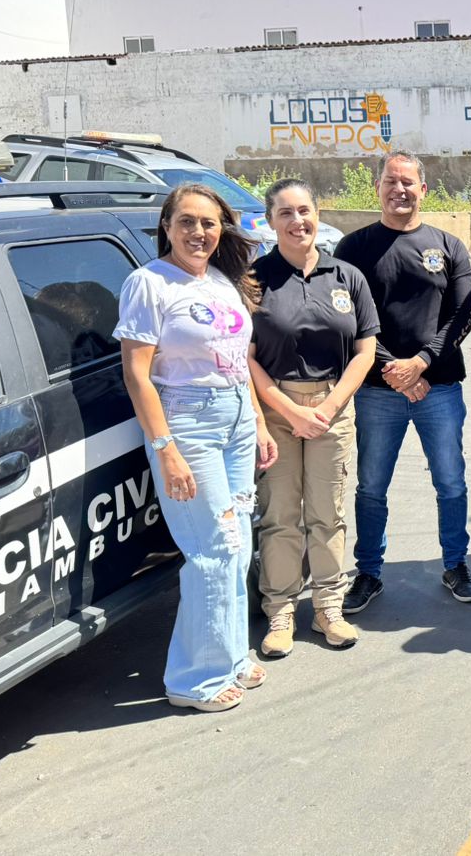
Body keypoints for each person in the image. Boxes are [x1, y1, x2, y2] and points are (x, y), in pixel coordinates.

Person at [114, 183, 278, 712]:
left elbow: (236, 360)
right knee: (210, 550)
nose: (198, 233)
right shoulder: (148, 283)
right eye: (186, 221)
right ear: (166, 225)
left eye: (208, 223)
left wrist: (258, 420)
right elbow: (137, 374)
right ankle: (193, 680)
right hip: (188, 424)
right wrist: (165, 448)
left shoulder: (222, 282)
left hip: (235, 420)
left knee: (237, 544)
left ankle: (229, 656)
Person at [334, 151, 471, 607]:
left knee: (451, 481)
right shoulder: (352, 249)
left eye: (409, 183)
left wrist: (420, 363)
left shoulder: (449, 246)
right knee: (372, 487)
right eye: (391, 181)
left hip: (438, 388)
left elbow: (461, 314)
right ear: (378, 187)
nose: (400, 190)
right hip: (378, 391)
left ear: (424, 190)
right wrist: (394, 370)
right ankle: (368, 573)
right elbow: (347, 318)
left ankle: (455, 565)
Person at [248, 178, 380, 657]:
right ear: (270, 221)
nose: (297, 221)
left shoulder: (347, 277)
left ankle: (328, 608)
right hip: (275, 409)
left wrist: (327, 407)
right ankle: (280, 613)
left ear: (317, 213)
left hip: (333, 408)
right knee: (280, 516)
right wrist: (288, 410)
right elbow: (245, 358)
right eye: (285, 213)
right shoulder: (254, 280)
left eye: (304, 210)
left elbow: (365, 350)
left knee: (328, 515)